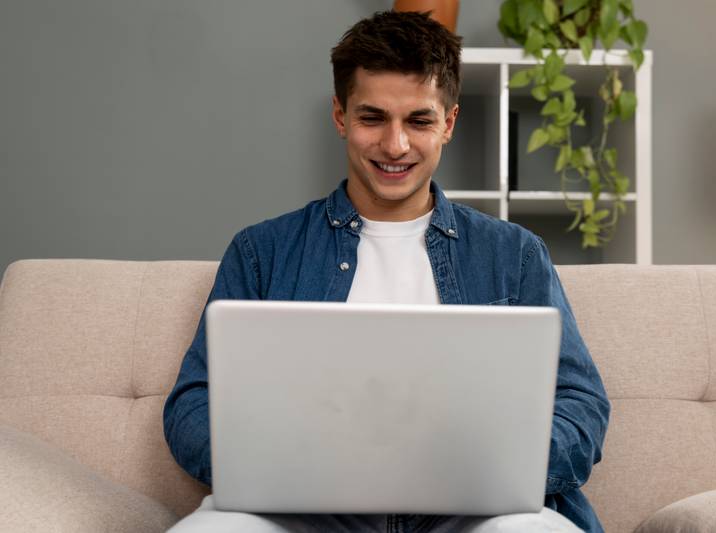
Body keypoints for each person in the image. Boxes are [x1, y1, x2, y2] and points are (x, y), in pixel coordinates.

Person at [164, 10, 610, 533]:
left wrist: (495, 465)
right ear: (340, 115)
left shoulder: (515, 254)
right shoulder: (262, 250)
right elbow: (192, 405)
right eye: (372, 117)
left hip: (472, 511)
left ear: (448, 123)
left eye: (418, 121)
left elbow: (581, 405)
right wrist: (278, 464)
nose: (395, 145)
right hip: (308, 509)